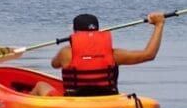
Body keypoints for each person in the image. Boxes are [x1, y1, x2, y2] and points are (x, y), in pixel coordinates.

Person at [30, 12, 165, 96]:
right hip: (108, 99)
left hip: (75, 102)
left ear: (75, 32)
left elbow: (54, 64)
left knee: (40, 85)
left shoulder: (65, 53)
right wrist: (159, 25)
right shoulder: (113, 54)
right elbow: (149, 55)